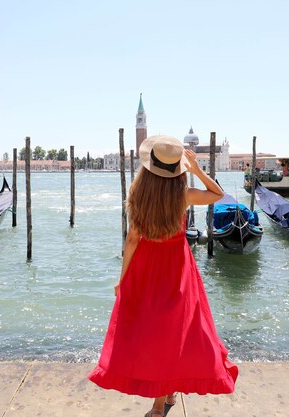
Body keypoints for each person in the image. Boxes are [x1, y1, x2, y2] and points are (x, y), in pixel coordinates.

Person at [88, 135, 238, 417]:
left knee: (154, 334)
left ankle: (162, 401)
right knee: (174, 332)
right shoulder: (183, 195)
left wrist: (124, 277)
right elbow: (218, 195)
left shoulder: (137, 196)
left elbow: (132, 239)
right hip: (177, 268)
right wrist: (197, 170)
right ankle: (162, 401)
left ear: (148, 167)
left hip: (146, 267)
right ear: (177, 169)